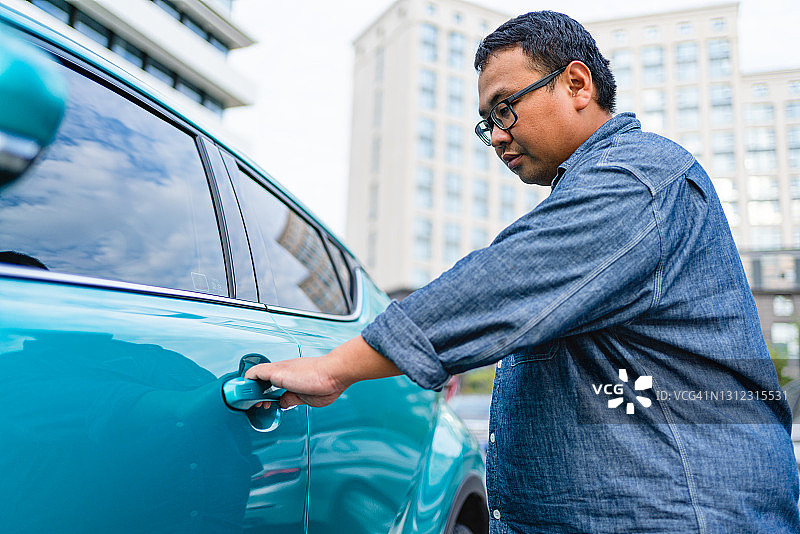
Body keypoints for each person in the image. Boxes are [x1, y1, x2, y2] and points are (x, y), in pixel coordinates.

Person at [246, 11, 800, 533]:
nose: (498, 137)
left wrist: (335, 367)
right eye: (486, 124)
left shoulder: (638, 179)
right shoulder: (604, 187)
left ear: (578, 85)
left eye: (505, 108)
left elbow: (499, 285)